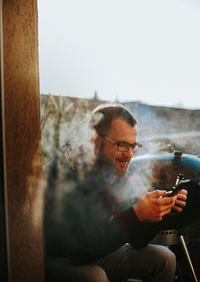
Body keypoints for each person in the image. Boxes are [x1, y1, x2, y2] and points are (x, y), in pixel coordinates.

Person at [44, 103, 188, 282]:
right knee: (95, 276)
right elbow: (80, 248)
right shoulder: (61, 174)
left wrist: (161, 213)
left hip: (99, 252)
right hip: (61, 260)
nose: (129, 154)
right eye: (122, 145)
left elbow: (136, 241)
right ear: (95, 140)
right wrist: (134, 216)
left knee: (165, 258)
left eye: (134, 146)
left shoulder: (115, 174)